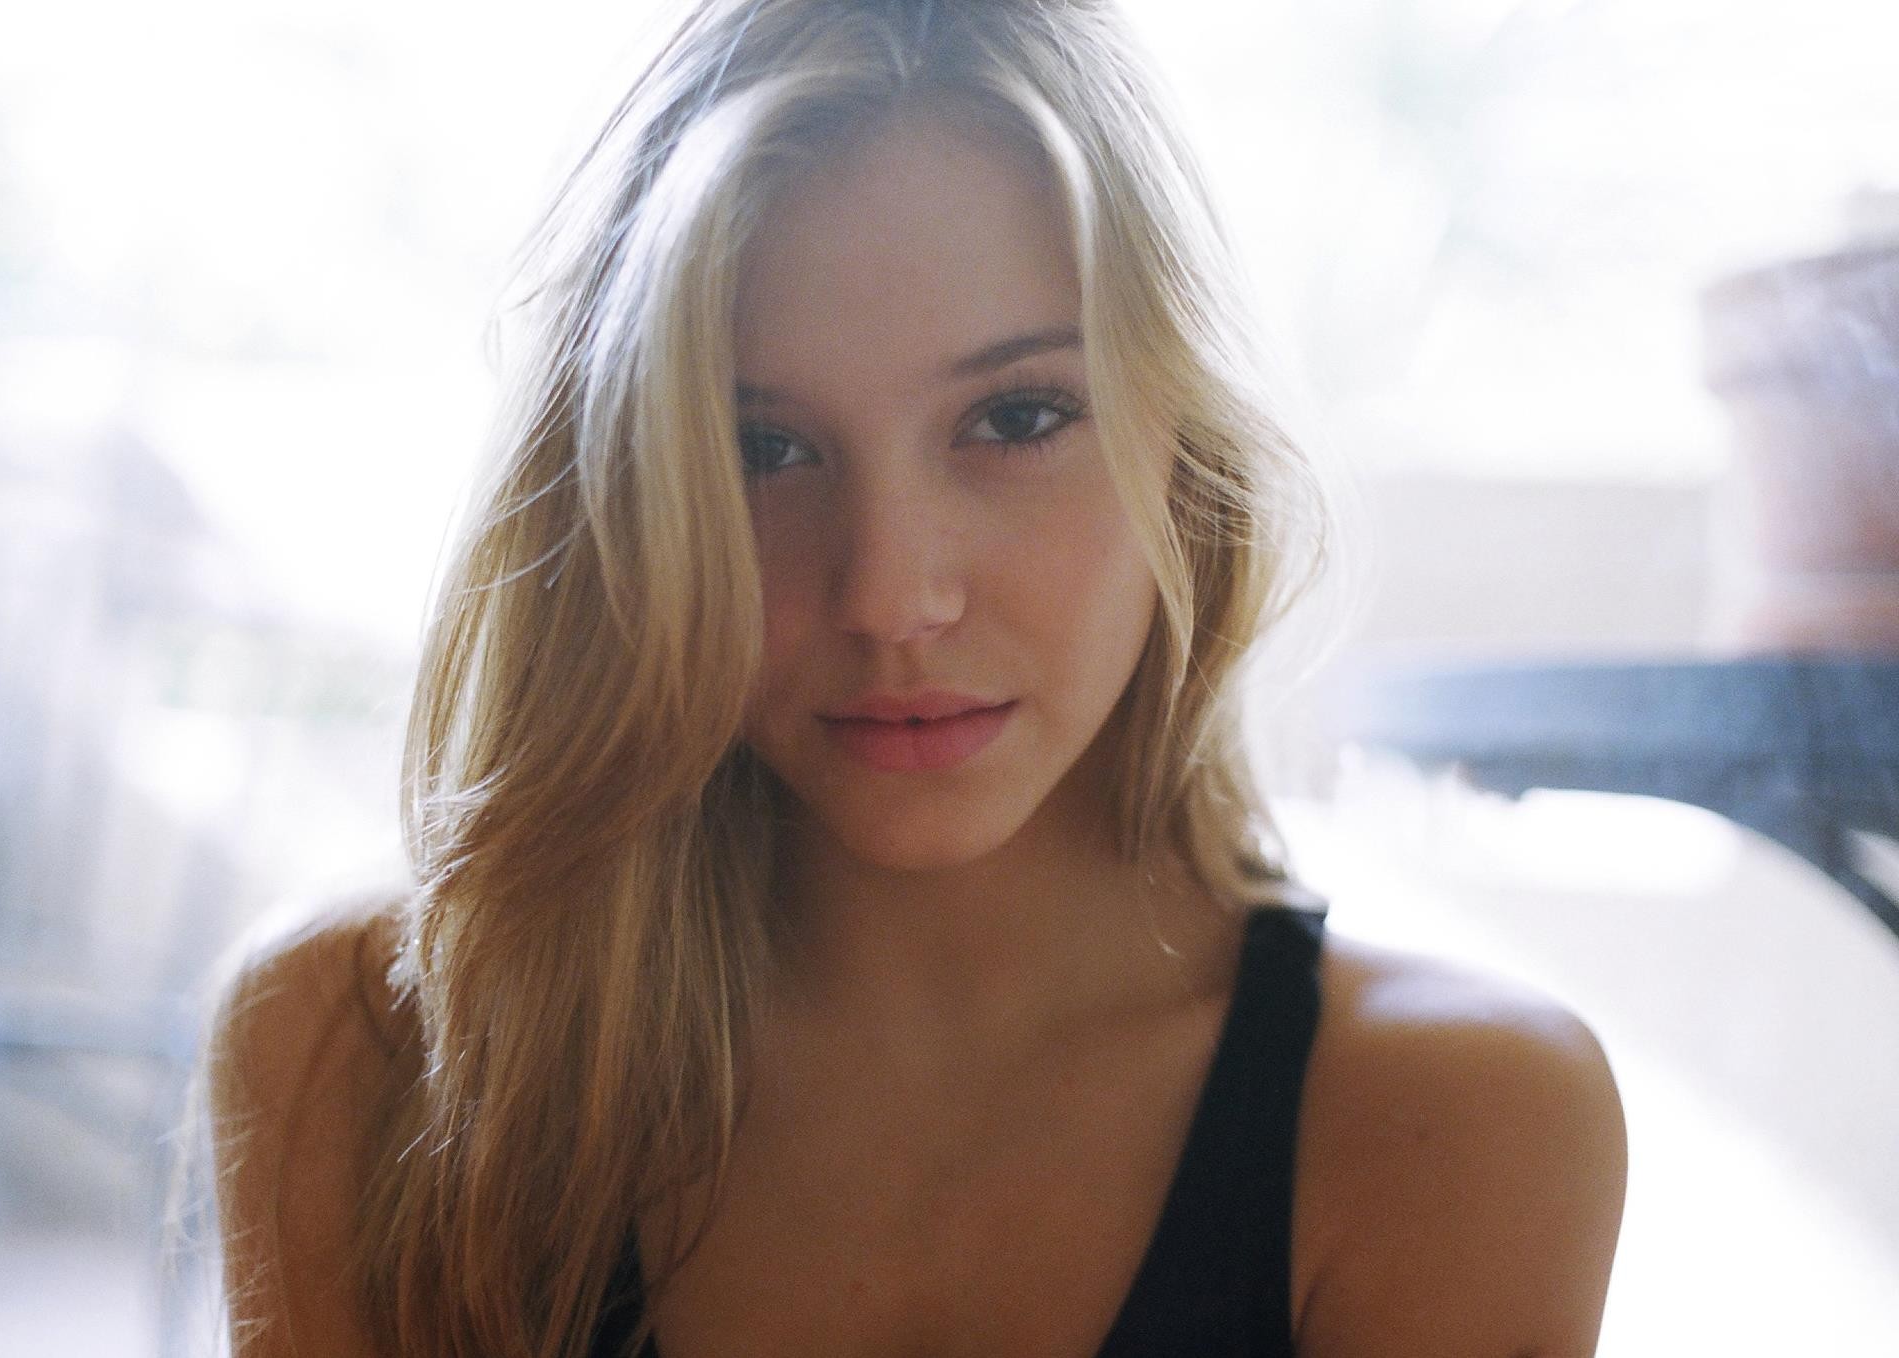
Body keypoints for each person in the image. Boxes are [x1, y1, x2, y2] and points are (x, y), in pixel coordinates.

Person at [203, 1, 1628, 1355]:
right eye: (762, 448)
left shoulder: (1449, 1125)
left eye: (1015, 418)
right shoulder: (365, 1053)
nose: (890, 596)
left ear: (1187, 456)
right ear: (623, 497)